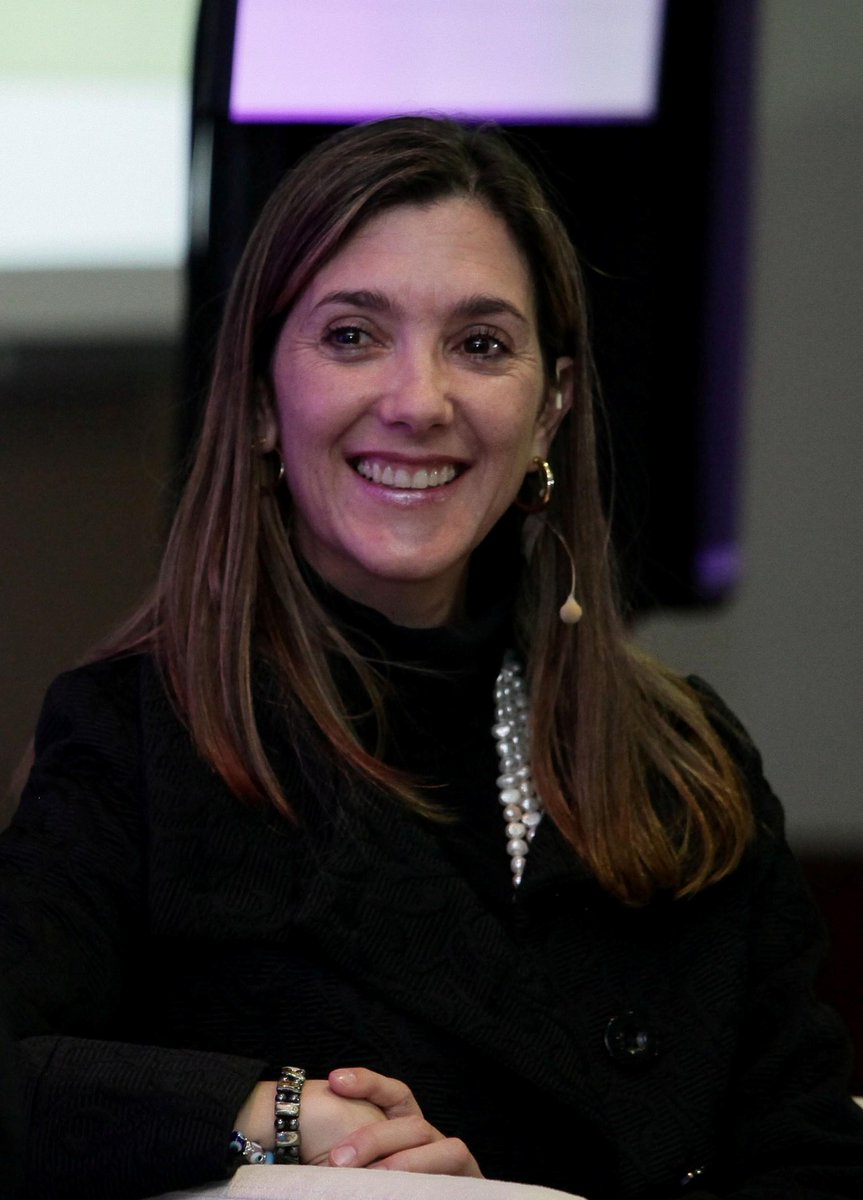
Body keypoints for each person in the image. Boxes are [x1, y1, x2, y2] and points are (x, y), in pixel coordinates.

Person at [1, 115, 862, 1200]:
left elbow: (808, 1157)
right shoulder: (138, 734)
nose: (418, 402)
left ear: (548, 409)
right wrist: (282, 1119)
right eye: (353, 335)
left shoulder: (689, 766)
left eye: (480, 344)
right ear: (261, 401)